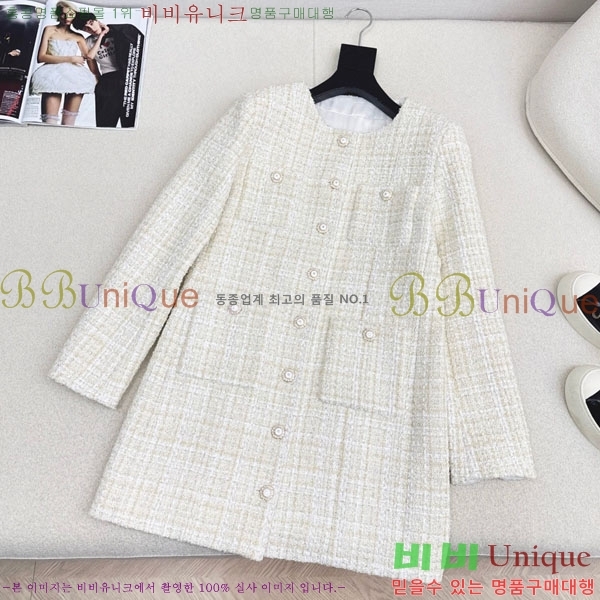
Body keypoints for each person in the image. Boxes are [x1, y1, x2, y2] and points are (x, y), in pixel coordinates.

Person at [29, 1, 96, 126]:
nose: (66, 18)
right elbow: (41, 57)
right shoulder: (49, 30)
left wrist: (101, 34)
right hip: (51, 75)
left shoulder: (78, 36)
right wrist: (70, 58)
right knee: (50, 122)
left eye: (70, 14)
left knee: (69, 123)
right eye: (63, 14)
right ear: (58, 14)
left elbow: (89, 58)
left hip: (75, 76)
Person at [72, 12, 140, 128]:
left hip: (128, 78)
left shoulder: (119, 31)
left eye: (91, 23)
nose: (91, 29)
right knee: (105, 123)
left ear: (96, 20)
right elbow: (94, 69)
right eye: (86, 28)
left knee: (131, 122)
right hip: (108, 80)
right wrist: (102, 86)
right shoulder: (88, 43)